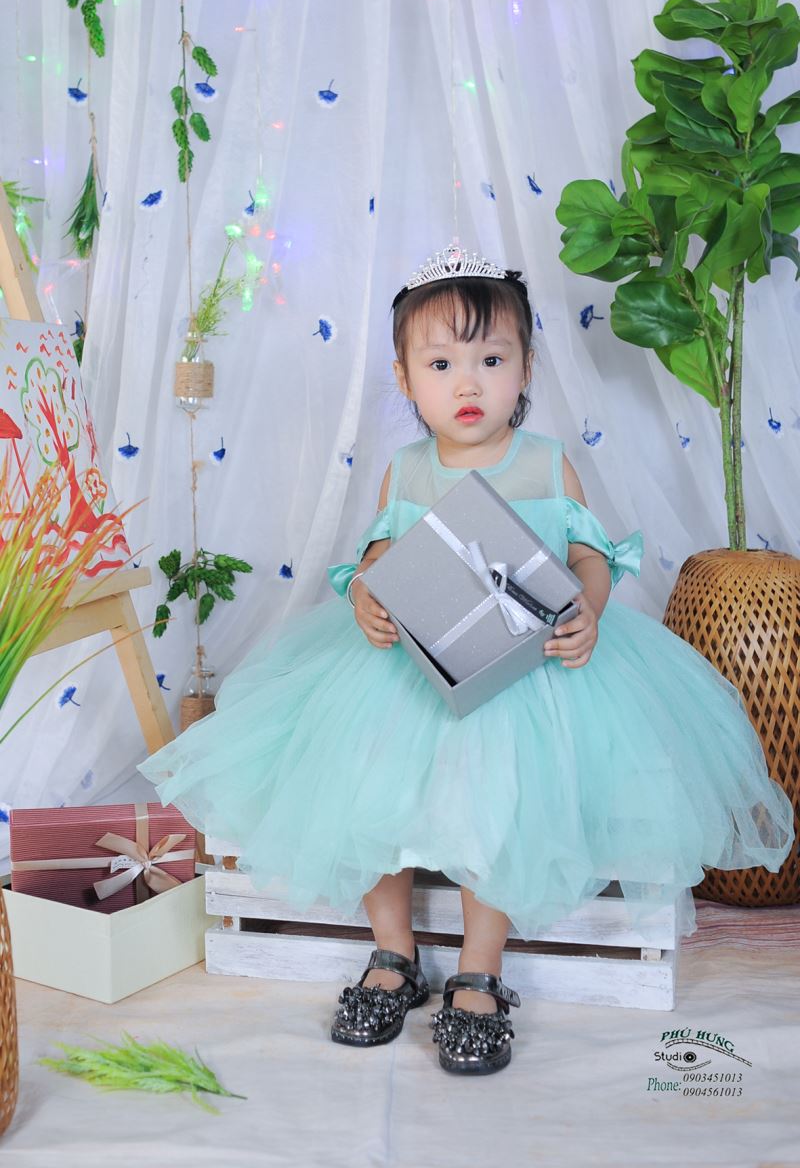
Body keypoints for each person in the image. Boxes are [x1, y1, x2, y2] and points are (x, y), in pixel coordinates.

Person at [136, 245, 795, 1077]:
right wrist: (366, 596)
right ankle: (393, 952)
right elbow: (375, 560)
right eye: (441, 364)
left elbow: (590, 557)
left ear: (526, 367)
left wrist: (587, 610)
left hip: (527, 670)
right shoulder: (408, 469)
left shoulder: (545, 461)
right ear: (406, 379)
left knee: (496, 794)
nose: (468, 383)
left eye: (491, 359)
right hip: (412, 667)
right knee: (363, 778)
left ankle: (480, 969)